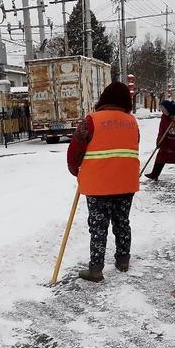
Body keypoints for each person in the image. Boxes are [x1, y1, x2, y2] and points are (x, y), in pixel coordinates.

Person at [67, 82, 140, 282]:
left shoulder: (92, 121)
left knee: (99, 226)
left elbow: (75, 151)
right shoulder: (132, 122)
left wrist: (76, 170)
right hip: (126, 184)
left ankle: (96, 269)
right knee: (122, 222)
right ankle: (123, 260)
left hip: (98, 185)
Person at [144, 100, 175, 180]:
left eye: (164, 109)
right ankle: (155, 174)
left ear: (169, 109)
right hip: (168, 141)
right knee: (161, 157)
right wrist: (159, 141)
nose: (163, 111)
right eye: (162, 110)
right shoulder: (164, 117)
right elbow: (161, 130)